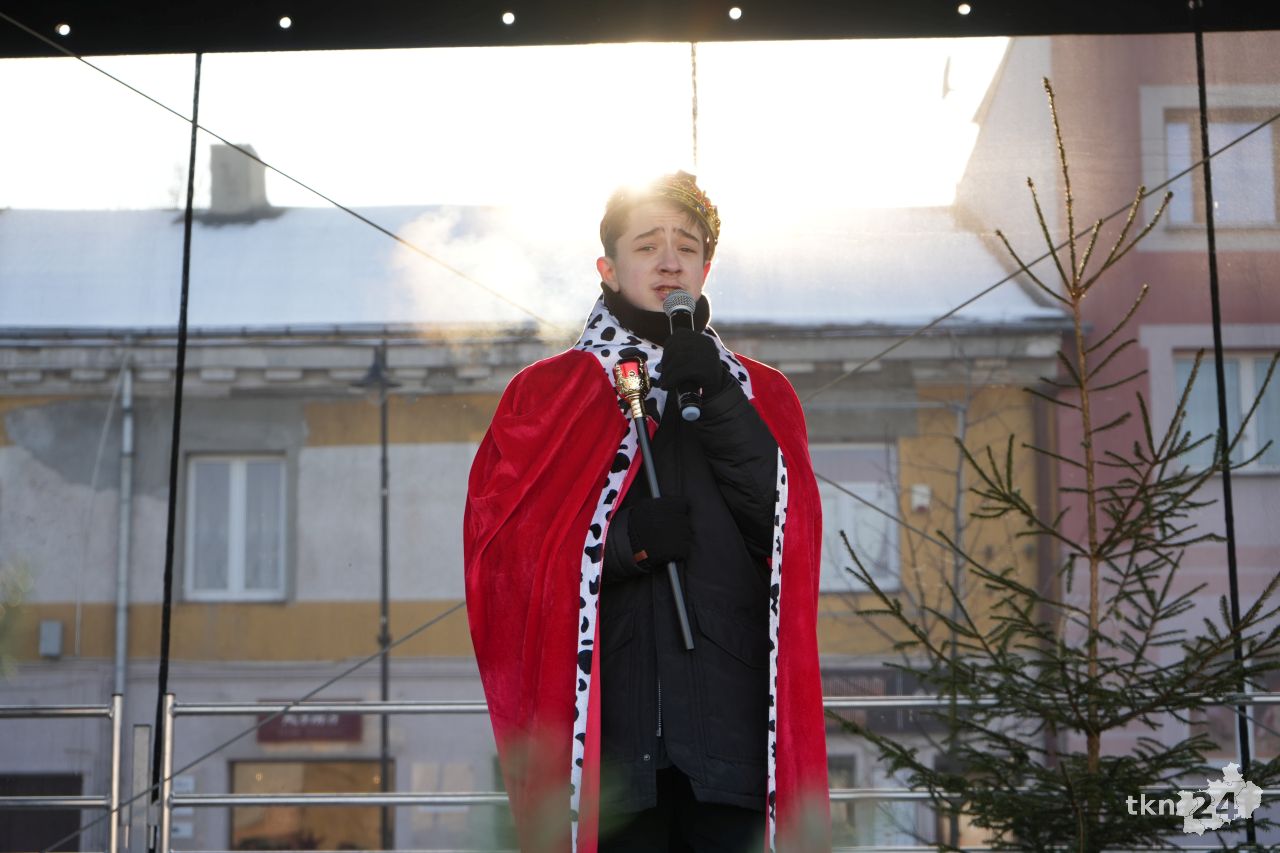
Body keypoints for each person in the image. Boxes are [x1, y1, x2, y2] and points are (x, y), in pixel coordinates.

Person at [464, 172, 828, 852]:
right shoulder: (547, 394)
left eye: (686, 247)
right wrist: (626, 541)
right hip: (607, 749)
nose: (669, 262)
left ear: (706, 268)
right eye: (647, 245)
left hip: (729, 741)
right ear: (608, 268)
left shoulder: (760, 393)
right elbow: (507, 560)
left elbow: (787, 531)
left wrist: (717, 396)